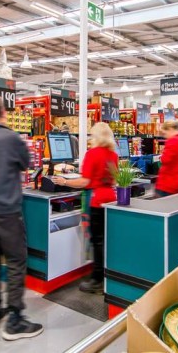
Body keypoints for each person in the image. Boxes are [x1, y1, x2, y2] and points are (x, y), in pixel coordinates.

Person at [0, 95, 43, 341]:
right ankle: (15, 320)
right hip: (7, 209)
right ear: (3, 113)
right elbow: (26, 164)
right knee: (15, 260)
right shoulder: (12, 138)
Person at [52, 122, 119, 294]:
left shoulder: (92, 154)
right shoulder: (113, 155)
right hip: (110, 199)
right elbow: (115, 179)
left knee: (96, 241)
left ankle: (97, 280)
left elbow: (84, 181)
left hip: (96, 199)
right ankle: (106, 276)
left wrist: (64, 181)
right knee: (106, 240)